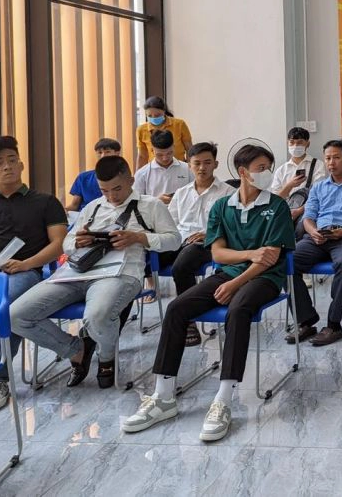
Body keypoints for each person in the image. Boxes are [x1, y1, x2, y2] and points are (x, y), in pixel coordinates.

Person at [121, 144, 296, 442]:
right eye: (260, 168)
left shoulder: (276, 207)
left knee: (239, 309)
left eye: (268, 168)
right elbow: (218, 253)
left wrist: (235, 282)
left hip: (265, 278)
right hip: (228, 273)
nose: (266, 173)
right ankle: (163, 396)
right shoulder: (222, 207)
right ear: (243, 172)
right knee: (177, 308)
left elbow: (269, 259)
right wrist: (248, 254)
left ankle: (223, 399)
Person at [11, 155, 179, 389]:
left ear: (131, 180)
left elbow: (174, 240)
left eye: (117, 189)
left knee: (96, 316)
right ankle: (76, 350)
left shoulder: (151, 205)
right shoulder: (93, 207)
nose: (111, 196)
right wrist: (78, 242)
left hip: (120, 274)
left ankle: (106, 356)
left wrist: (139, 238)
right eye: (104, 190)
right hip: (75, 273)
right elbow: (66, 243)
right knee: (15, 315)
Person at [0, 136, 67, 413]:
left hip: (24, 272)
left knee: (5, 303)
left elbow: (58, 244)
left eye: (11, 160)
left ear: (21, 165)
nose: (6, 166)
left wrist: (26, 263)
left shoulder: (45, 202)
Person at [287, 140, 342, 346]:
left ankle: (334, 324)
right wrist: (313, 232)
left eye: (336, 157)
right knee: (286, 262)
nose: (331, 162)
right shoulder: (318, 187)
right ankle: (306, 320)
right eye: (328, 158)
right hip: (318, 237)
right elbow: (308, 216)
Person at [167, 142, 235, 346]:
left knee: (181, 265)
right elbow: (170, 223)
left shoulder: (229, 193)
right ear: (189, 164)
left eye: (207, 162)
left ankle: (188, 319)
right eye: (196, 163)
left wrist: (209, 235)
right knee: (146, 255)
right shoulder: (181, 193)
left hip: (207, 243)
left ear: (216, 164)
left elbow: (233, 227)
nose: (202, 168)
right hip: (179, 240)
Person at [134, 129, 193, 301]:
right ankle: (151, 282)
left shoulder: (187, 169)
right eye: (160, 154)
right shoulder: (143, 173)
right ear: (152, 150)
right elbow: (135, 204)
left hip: (182, 221)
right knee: (142, 243)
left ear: (174, 148)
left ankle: (184, 285)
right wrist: (156, 201)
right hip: (154, 224)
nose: (165, 158)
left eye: (169, 153)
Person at [270, 126, 329, 225]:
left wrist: (298, 211)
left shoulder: (318, 165)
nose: (295, 146)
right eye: (292, 142)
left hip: (310, 211)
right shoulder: (281, 170)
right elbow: (275, 200)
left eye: (300, 142)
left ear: (308, 144)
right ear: (287, 143)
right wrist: (290, 185)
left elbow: (319, 195)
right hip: (285, 212)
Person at [135, 95, 192, 170]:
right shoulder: (141, 130)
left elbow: (189, 149)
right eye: (150, 116)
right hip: (154, 170)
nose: (153, 118)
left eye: (157, 115)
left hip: (179, 168)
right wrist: (138, 174)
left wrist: (190, 168)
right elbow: (142, 156)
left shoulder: (179, 124)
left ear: (164, 111)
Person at [66, 138, 122, 212]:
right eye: (100, 152)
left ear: (117, 153)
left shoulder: (123, 178)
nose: (103, 156)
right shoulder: (83, 177)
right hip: (84, 216)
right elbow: (74, 205)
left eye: (107, 152)